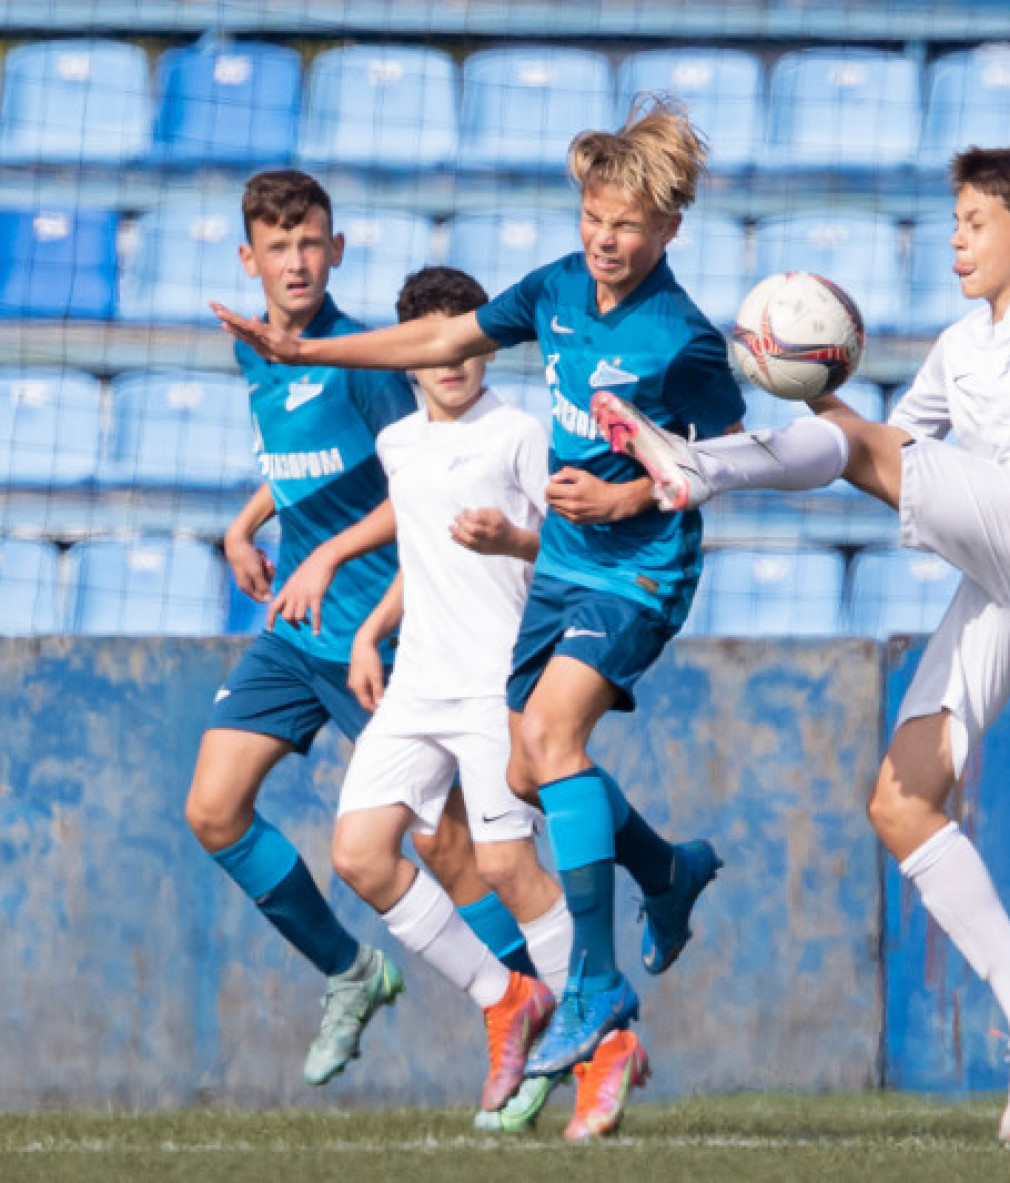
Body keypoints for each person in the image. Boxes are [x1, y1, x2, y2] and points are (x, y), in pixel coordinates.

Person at [592, 146, 1010, 1142]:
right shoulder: (961, 345)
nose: (958, 239)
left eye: (976, 222)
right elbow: (860, 441)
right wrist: (799, 373)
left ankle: (695, 467)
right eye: (955, 221)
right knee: (900, 799)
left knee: (863, 442)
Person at [213, 99, 743, 1131]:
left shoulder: (683, 339)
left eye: (627, 224)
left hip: (634, 569)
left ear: (670, 230)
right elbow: (445, 341)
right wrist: (306, 353)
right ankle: (635, 899)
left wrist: (632, 495)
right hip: (498, 623)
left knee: (532, 779)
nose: (604, 238)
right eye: (594, 216)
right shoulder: (548, 292)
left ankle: (598, 1013)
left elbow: (724, 456)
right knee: (377, 845)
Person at [187, 170, 531, 1088]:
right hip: (296, 632)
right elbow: (303, 457)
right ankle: (350, 971)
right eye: (278, 246)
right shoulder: (258, 349)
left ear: (336, 251)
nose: (296, 262)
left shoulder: (364, 354)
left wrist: (331, 553)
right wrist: (245, 522)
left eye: (312, 244)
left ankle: (540, 1012)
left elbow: (413, 473)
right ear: (248, 258)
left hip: (377, 634)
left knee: (447, 848)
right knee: (213, 809)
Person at [283, 264, 606, 1135]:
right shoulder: (401, 447)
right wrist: (367, 629)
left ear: (485, 345)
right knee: (358, 851)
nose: (452, 361)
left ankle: (597, 1044)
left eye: (467, 340)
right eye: (435, 346)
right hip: (417, 682)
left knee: (507, 868)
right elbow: (421, 543)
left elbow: (573, 555)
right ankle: (507, 998)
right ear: (413, 360)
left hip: (494, 680)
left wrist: (514, 539)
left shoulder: (520, 436)